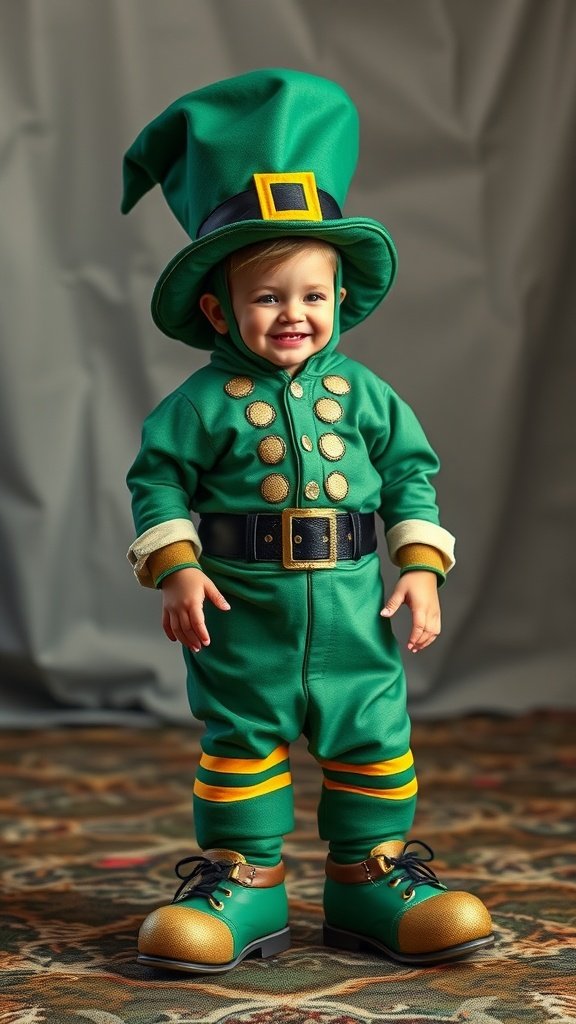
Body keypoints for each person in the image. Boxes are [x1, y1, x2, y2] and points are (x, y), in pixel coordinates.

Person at [123, 68, 493, 974]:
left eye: (313, 296)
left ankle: (370, 878)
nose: (294, 315)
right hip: (242, 606)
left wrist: (419, 569)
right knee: (242, 735)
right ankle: (243, 882)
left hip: (355, 606)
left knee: (373, 730)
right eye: (267, 297)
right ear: (219, 308)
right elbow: (158, 485)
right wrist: (177, 567)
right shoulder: (198, 404)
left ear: (339, 300)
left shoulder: (365, 392)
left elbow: (411, 474)